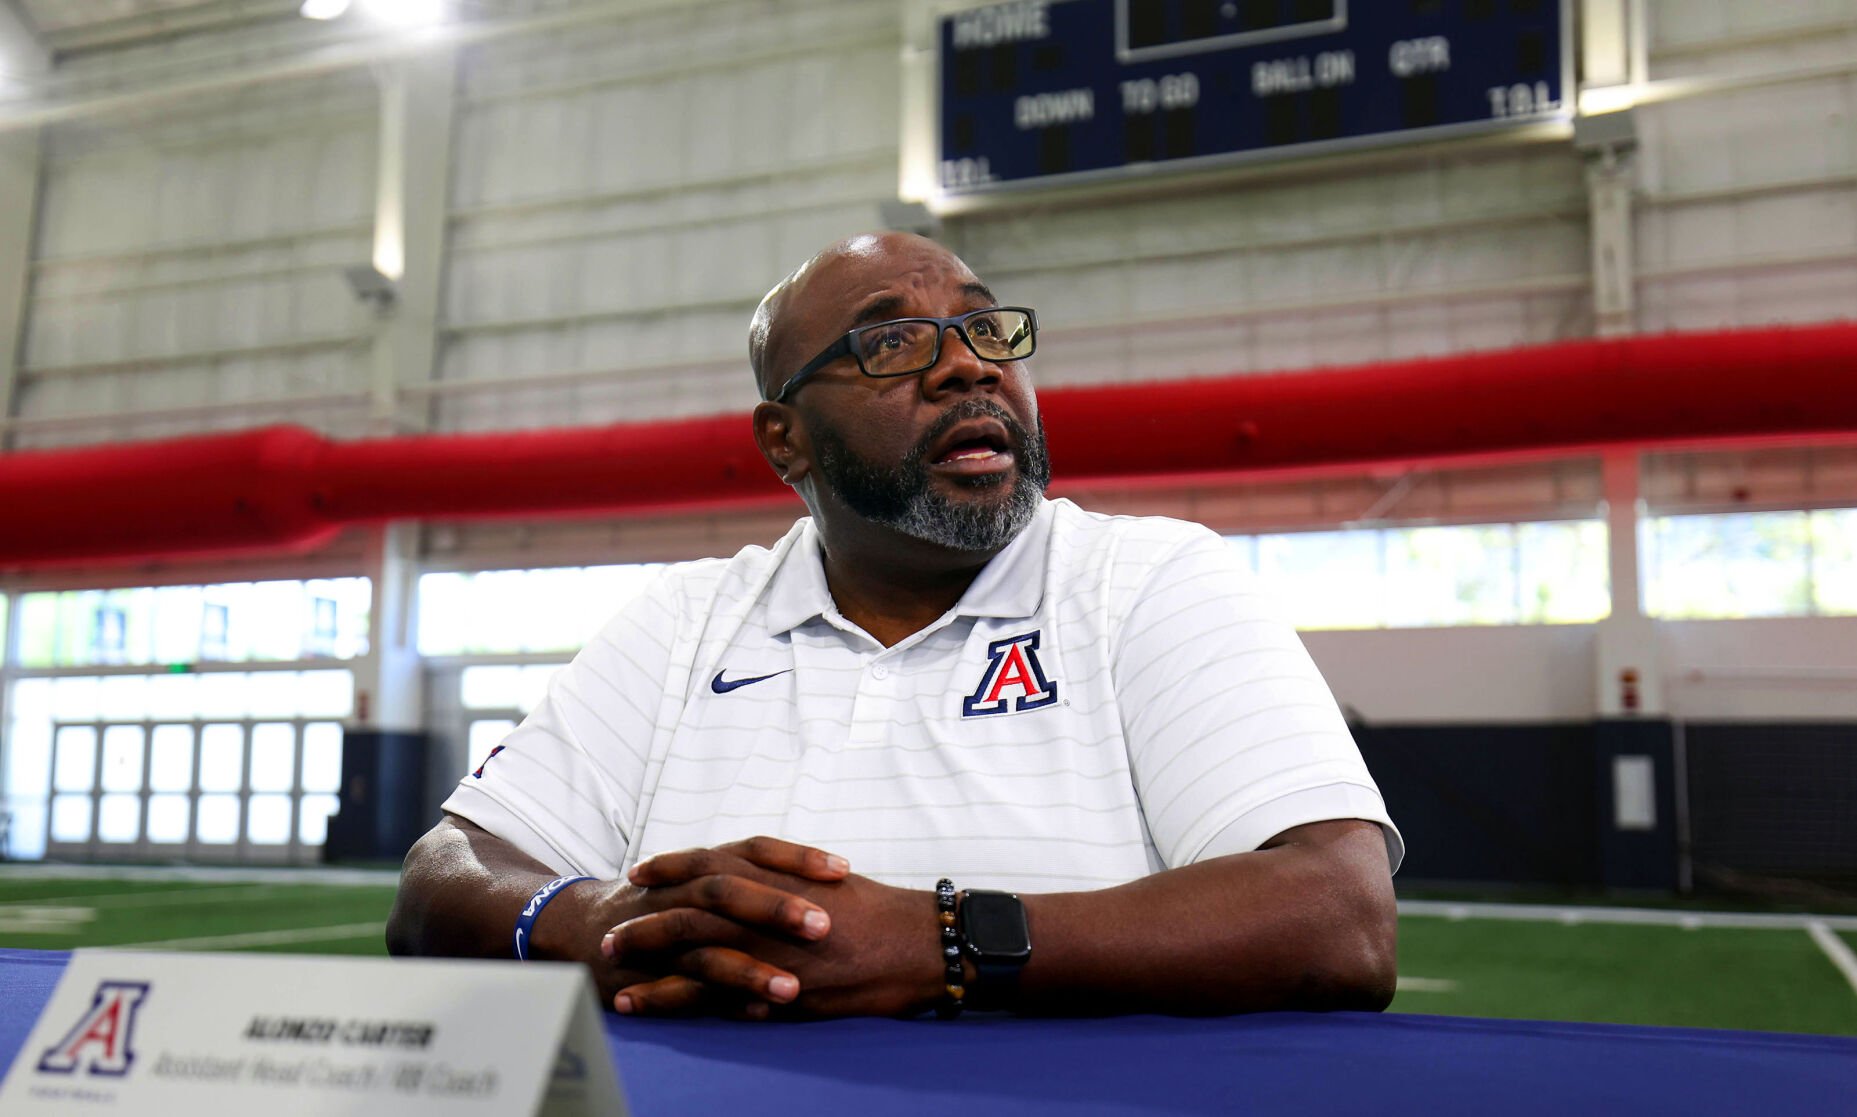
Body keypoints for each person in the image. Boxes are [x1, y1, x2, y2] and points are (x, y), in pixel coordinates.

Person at [387, 232, 1403, 1020]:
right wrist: (596, 922)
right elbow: (445, 878)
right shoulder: (685, 620)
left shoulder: (1147, 580)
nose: (968, 367)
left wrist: (943, 942)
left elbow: (1338, 917)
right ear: (786, 441)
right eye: (892, 342)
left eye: (986, 329)